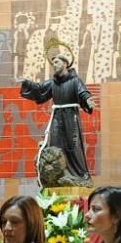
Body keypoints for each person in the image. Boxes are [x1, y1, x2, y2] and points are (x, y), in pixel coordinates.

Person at [20, 52, 96, 184]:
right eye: (53, 63)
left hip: (71, 116)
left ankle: (79, 174)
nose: (54, 65)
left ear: (65, 63)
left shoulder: (75, 80)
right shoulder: (53, 83)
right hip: (57, 117)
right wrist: (26, 83)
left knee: (73, 145)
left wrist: (88, 99)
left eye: (57, 62)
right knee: (55, 144)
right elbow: (39, 90)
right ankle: (58, 174)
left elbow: (83, 92)